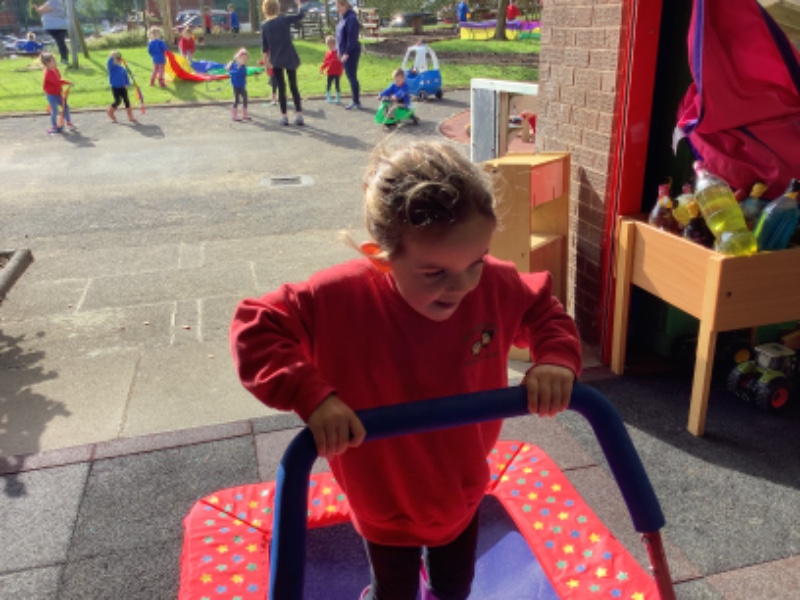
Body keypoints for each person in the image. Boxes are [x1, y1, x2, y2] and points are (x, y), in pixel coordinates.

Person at [229, 141, 582, 600]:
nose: (461, 286)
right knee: (393, 592)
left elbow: (542, 309)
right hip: (383, 496)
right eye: (434, 273)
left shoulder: (491, 285)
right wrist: (311, 395)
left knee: (454, 588)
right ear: (381, 257)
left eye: (475, 262)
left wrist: (554, 358)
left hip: (461, 487)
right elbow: (255, 326)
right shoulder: (340, 297)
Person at [261, 0, 305, 126]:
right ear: (277, 8)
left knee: (281, 88)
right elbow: (300, 16)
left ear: (265, 10)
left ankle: (284, 116)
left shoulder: (265, 26)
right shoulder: (284, 20)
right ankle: (299, 115)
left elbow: (265, 48)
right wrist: (299, 5)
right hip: (289, 56)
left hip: (276, 59)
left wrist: (266, 64)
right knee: (293, 86)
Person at [335, 0, 361, 110]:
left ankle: (356, 101)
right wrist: (338, 51)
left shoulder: (351, 19)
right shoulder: (343, 18)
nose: (337, 9)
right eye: (336, 7)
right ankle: (355, 100)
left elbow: (352, 38)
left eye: (339, 7)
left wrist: (346, 53)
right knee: (350, 76)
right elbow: (339, 36)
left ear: (345, 5)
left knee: (352, 76)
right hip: (343, 51)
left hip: (351, 51)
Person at [41, 51, 72, 134]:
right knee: (55, 110)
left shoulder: (55, 70)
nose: (55, 63)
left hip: (57, 93)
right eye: (53, 61)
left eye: (55, 61)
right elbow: (57, 81)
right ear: (47, 63)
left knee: (65, 106)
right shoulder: (48, 73)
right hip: (51, 95)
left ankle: (68, 121)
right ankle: (54, 125)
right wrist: (67, 82)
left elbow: (58, 79)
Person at [33, 0, 69, 65]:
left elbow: (42, 10)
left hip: (54, 26)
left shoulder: (52, 2)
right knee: (61, 42)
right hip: (61, 25)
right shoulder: (59, 2)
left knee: (60, 43)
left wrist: (37, 8)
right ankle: (64, 58)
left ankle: (63, 59)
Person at [106, 50, 136, 124]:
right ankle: (110, 112)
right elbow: (109, 61)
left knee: (127, 101)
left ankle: (130, 116)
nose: (116, 60)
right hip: (115, 87)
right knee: (118, 101)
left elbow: (126, 77)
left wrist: (127, 83)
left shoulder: (122, 68)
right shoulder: (111, 68)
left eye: (117, 59)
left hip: (123, 87)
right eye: (114, 59)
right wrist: (113, 55)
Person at [227, 48, 250, 121]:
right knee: (236, 100)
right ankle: (234, 115)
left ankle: (244, 114)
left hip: (242, 86)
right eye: (243, 59)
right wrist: (229, 66)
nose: (244, 60)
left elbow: (238, 73)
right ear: (238, 59)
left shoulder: (243, 68)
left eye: (245, 59)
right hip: (236, 86)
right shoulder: (234, 65)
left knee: (245, 99)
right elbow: (230, 70)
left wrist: (231, 70)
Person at [319, 35, 343, 104]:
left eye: (330, 45)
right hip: (330, 72)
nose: (329, 47)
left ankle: (337, 97)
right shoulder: (328, 53)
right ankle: (328, 96)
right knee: (328, 84)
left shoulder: (338, 52)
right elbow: (326, 62)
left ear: (334, 44)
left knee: (337, 84)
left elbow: (341, 61)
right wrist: (322, 68)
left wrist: (341, 67)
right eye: (328, 46)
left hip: (337, 71)